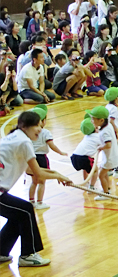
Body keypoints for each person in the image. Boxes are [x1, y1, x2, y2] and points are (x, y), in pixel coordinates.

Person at [0, 111, 71, 267]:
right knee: (25, 210)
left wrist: (58, 174)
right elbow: (38, 175)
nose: (39, 129)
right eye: (36, 126)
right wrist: (59, 176)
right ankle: (28, 254)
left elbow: (31, 171)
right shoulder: (24, 142)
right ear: (24, 127)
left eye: (40, 124)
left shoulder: (16, 138)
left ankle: (1, 250)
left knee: (18, 214)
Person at [26, 107, 67, 210]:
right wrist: (60, 152)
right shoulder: (45, 132)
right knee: (42, 182)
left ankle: (31, 201)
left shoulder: (28, 132)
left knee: (34, 182)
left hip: (30, 158)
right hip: (41, 158)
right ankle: (40, 202)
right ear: (43, 121)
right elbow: (51, 145)